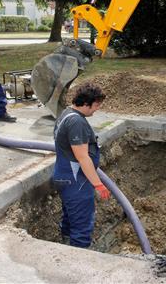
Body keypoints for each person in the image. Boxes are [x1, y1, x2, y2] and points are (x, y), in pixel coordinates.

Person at [52, 82, 111, 248]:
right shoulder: (76, 122)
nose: (97, 109)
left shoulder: (66, 114)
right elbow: (83, 157)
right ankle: (80, 261)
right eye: (96, 105)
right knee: (82, 227)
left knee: (70, 219)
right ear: (86, 103)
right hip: (76, 181)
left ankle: (66, 249)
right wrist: (98, 184)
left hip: (66, 177)